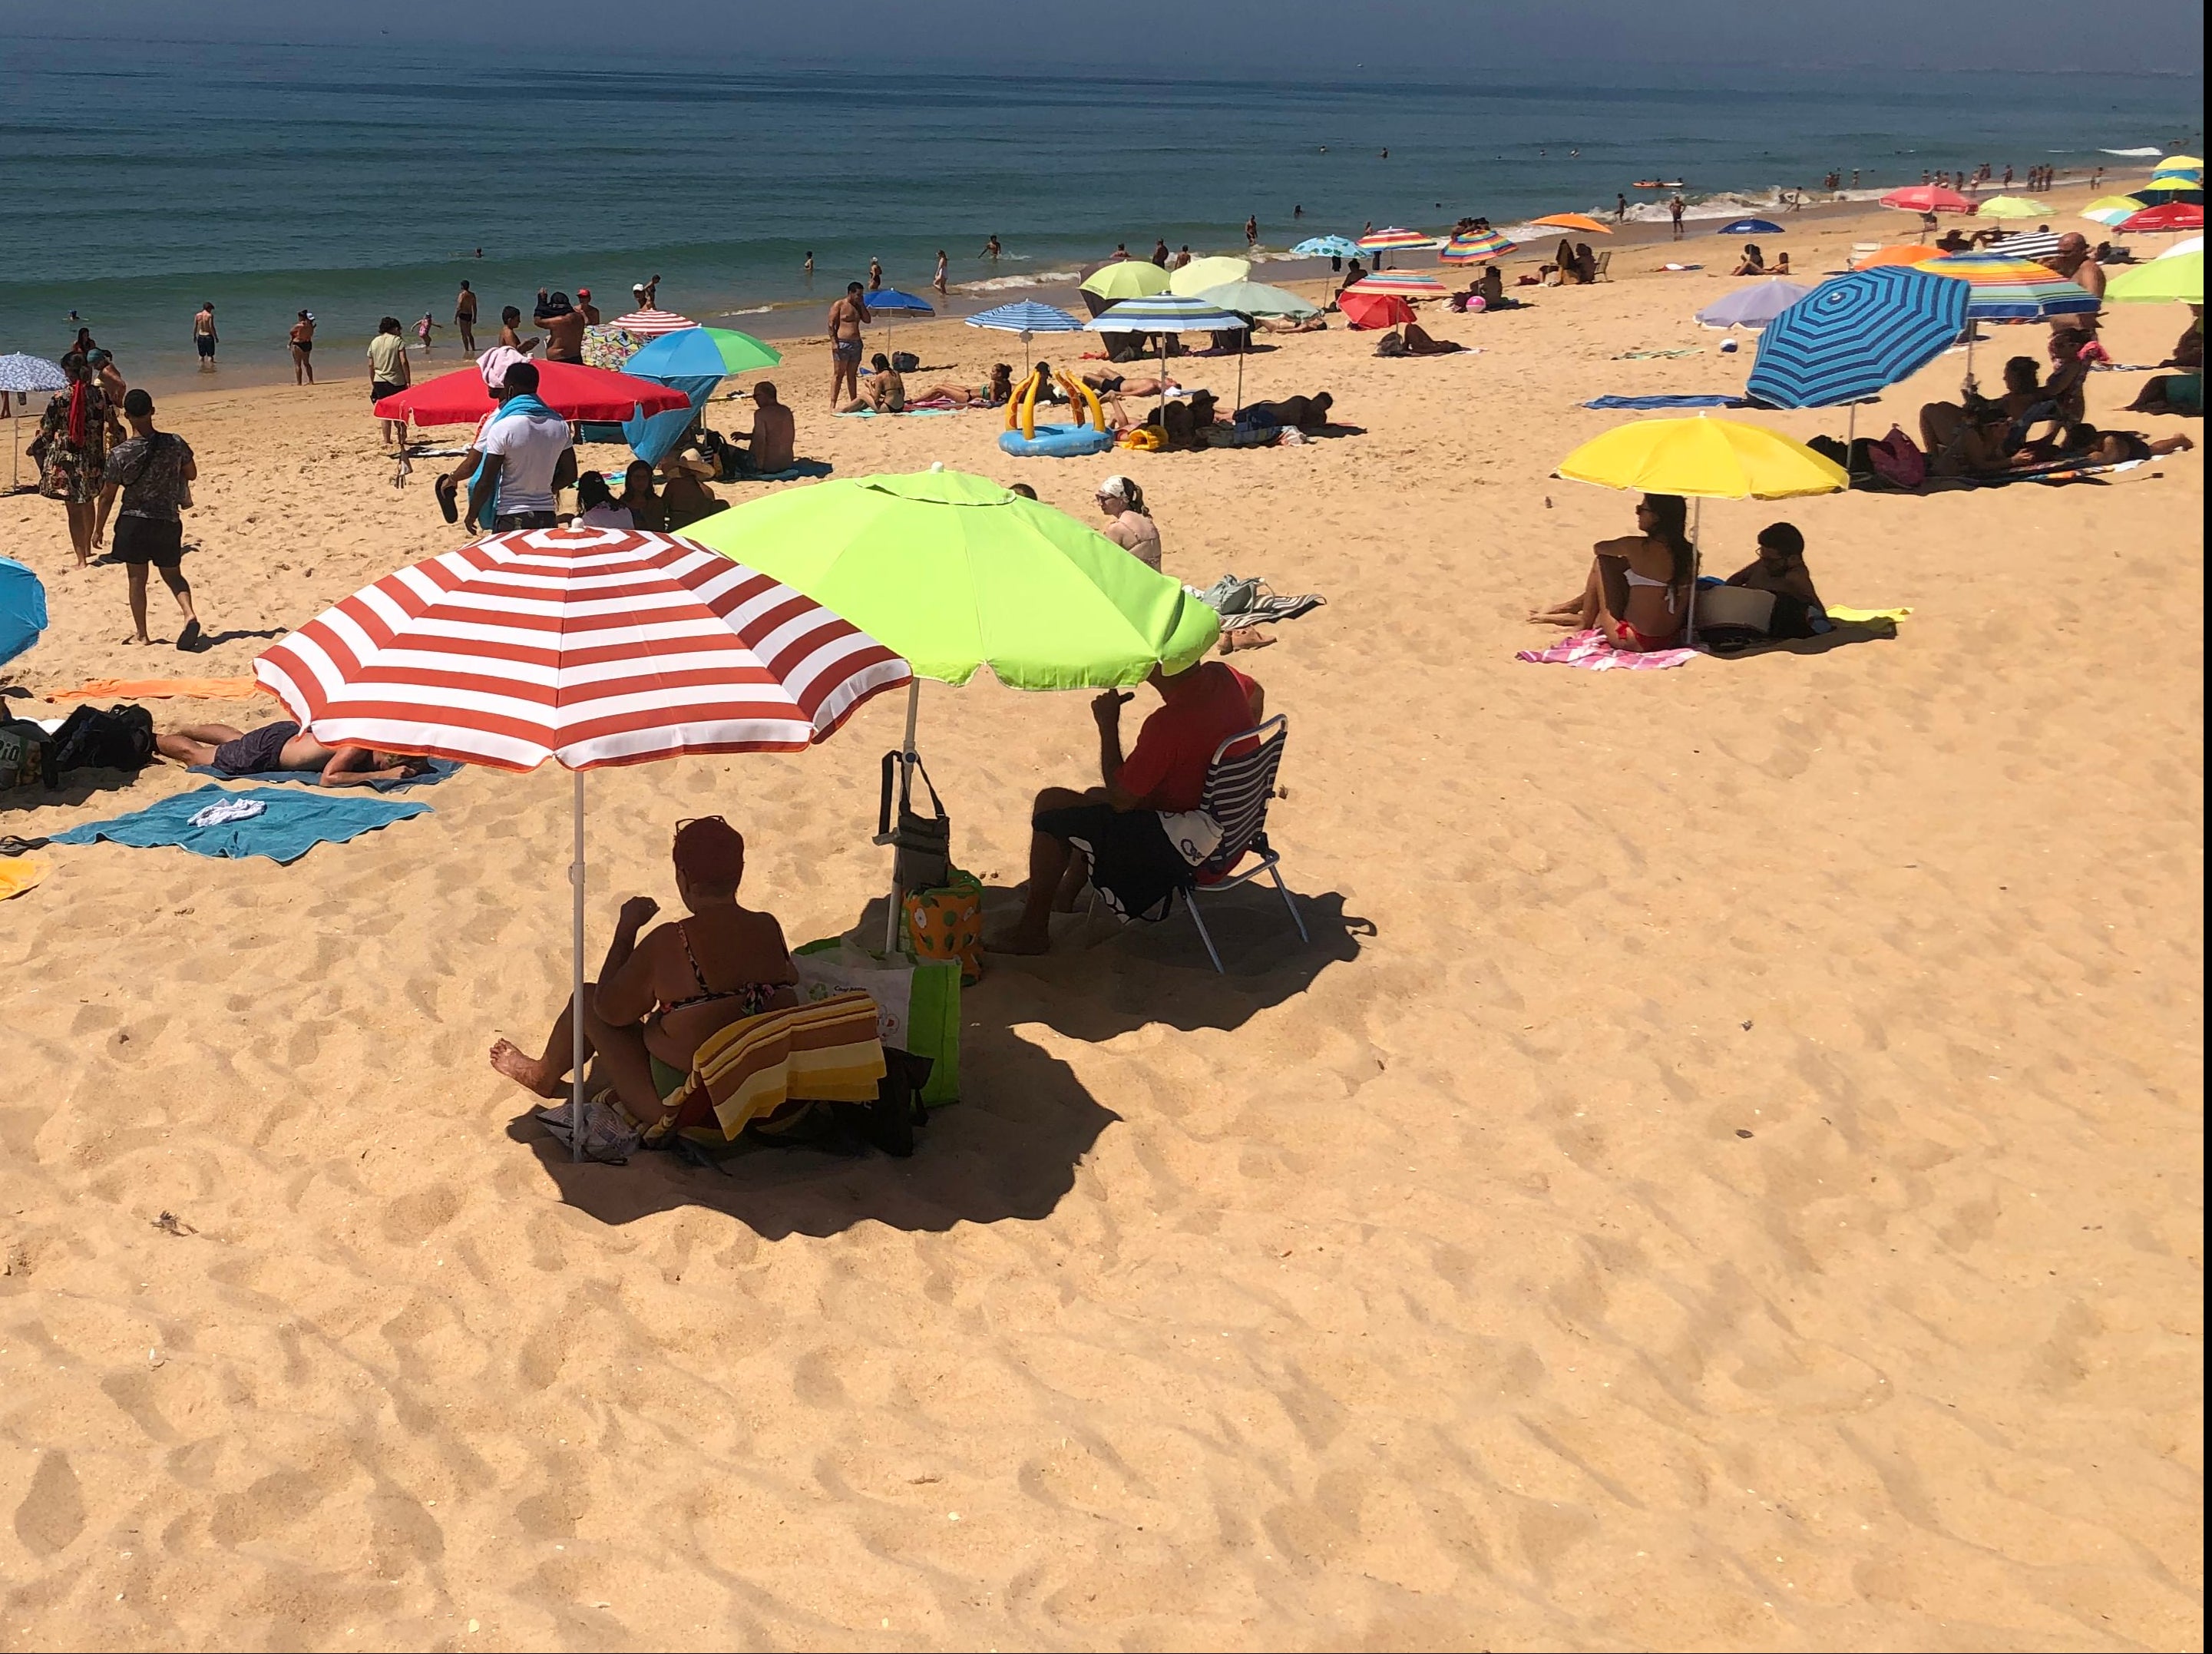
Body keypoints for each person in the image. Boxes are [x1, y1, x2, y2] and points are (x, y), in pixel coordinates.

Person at [490, 816, 798, 1126]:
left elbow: (609, 1011)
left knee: (586, 999)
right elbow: (787, 979)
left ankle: (541, 1075)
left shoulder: (672, 940)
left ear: (683, 877)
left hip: (690, 1113)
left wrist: (626, 933)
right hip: (762, 1097)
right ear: (740, 872)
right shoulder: (767, 926)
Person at [992, 660, 1266, 952]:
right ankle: (1065, 896)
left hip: (1192, 856)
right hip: (1235, 833)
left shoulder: (1169, 723)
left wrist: (1108, 726)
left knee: (1051, 804)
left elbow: (1122, 798)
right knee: (1091, 799)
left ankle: (1032, 931)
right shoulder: (1223, 677)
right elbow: (1256, 693)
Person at [94, 389, 204, 650]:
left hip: (134, 521)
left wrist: (98, 529)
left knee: (137, 579)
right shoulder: (175, 442)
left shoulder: (120, 454)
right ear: (153, 411)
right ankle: (189, 614)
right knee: (174, 575)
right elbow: (192, 473)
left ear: (127, 415)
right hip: (167, 518)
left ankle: (142, 634)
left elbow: (107, 496)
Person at [1525, 493, 1694, 650]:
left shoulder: (1635, 547)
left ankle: (1583, 622)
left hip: (1631, 639)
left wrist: (1627, 555)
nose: (1637, 514)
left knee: (1603, 562)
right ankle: (1570, 607)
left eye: (1641, 510)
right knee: (1626, 568)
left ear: (1656, 517)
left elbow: (1599, 548)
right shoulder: (1690, 553)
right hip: (1669, 640)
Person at [437, 360, 575, 531]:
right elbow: (571, 474)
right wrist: (549, 489)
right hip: (546, 513)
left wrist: (472, 515)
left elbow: (486, 481)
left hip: (511, 514)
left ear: (509, 389)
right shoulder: (559, 424)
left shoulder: (503, 426)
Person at [30, 353, 121, 567]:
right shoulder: (100, 395)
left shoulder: (60, 397)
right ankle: (88, 549)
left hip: (66, 459)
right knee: (88, 501)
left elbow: (46, 431)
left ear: (69, 373)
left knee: (73, 510)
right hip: (93, 458)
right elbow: (114, 425)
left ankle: (81, 560)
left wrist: (34, 448)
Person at [156, 719, 428, 785]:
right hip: (270, 751)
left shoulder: (370, 731)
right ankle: (156, 740)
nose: (384, 765)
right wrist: (381, 776)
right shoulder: (359, 745)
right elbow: (329, 778)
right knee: (199, 757)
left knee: (238, 740)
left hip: (286, 736)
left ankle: (188, 727)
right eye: (387, 761)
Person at [1724, 521, 1823, 614]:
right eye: (1762, 556)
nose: (1765, 563)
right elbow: (1731, 583)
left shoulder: (1797, 580)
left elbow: (1820, 617)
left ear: (1793, 559)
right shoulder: (1765, 564)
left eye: (1771, 561)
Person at [2040, 233, 2106, 341]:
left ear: (2082, 251)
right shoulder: (2070, 269)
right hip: (2063, 335)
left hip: (2079, 336)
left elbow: (2091, 302)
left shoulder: (2088, 270)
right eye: (2060, 252)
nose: (2062, 256)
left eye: (2067, 252)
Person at [728, 380, 797, 473]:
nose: (754, 399)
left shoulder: (761, 414)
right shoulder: (786, 411)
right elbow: (775, 436)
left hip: (768, 466)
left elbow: (760, 442)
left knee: (727, 450)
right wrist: (746, 436)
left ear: (766, 395)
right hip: (786, 464)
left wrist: (759, 468)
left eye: (756, 396)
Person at [1094, 475, 1161, 570]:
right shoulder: (1147, 521)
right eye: (1098, 498)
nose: (1100, 503)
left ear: (1122, 500)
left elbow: (1104, 564)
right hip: (1156, 581)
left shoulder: (1117, 529)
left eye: (1105, 499)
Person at [367, 316, 412, 451]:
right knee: (399, 409)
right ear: (395, 329)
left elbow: (370, 364)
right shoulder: (398, 341)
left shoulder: (374, 342)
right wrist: (408, 380)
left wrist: (373, 381)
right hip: (396, 380)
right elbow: (403, 361)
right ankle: (401, 437)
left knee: (385, 412)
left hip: (379, 380)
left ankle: (387, 440)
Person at [828, 282, 869, 406]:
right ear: (850, 293)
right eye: (858, 295)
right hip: (843, 343)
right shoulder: (839, 305)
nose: (860, 297)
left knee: (852, 375)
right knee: (838, 374)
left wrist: (862, 305)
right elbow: (831, 324)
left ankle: (853, 402)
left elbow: (867, 320)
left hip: (856, 344)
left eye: (861, 295)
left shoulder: (858, 306)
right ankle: (833, 403)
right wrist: (834, 342)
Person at [917, 363, 1014, 408]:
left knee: (938, 387)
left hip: (967, 397)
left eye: (993, 372)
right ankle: (924, 400)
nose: (990, 373)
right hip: (968, 391)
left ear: (999, 374)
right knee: (942, 386)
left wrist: (985, 402)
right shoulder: (1007, 383)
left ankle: (914, 401)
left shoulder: (994, 384)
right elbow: (1010, 399)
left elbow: (992, 402)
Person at [838, 351, 904, 415]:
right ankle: (852, 409)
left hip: (888, 407)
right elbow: (901, 393)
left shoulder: (880, 376)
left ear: (876, 365)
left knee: (864, 395)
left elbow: (876, 399)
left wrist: (869, 386)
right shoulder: (896, 373)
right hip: (900, 407)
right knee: (867, 399)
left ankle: (844, 410)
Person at [1235, 391, 1332, 431]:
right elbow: (1296, 424)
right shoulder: (1300, 402)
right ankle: (1219, 410)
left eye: (1319, 408)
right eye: (1316, 404)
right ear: (1314, 399)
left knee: (1236, 417)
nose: (1316, 407)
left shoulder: (1320, 417)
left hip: (1270, 418)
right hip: (1266, 411)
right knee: (1235, 416)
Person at [619, 459, 668, 531]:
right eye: (637, 477)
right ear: (630, 479)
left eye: (644, 477)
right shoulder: (623, 501)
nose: (641, 481)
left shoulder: (656, 503)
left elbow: (658, 529)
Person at [537, 293, 586, 364]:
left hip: (559, 358)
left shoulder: (560, 321)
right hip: (576, 356)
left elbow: (538, 321)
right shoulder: (579, 317)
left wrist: (541, 302)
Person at [289, 311, 316, 384]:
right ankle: (311, 380)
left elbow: (291, 331)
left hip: (298, 344)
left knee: (298, 364)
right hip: (307, 344)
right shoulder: (311, 326)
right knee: (307, 363)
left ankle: (299, 382)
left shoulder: (299, 326)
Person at [192, 300, 218, 369]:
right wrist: (216, 337)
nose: (211, 311)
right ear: (209, 308)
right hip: (208, 336)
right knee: (210, 356)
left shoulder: (198, 315)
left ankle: (201, 370)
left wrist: (194, 336)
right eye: (211, 309)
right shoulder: (209, 316)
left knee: (201, 356)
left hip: (200, 337)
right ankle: (211, 370)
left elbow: (195, 327)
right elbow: (211, 327)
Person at [455, 280, 478, 352]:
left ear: (462, 286)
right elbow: (474, 307)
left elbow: (459, 307)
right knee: (469, 333)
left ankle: (467, 350)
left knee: (463, 334)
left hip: (463, 315)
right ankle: (473, 349)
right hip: (470, 315)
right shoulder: (472, 295)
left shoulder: (462, 295)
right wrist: (475, 317)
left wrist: (455, 317)